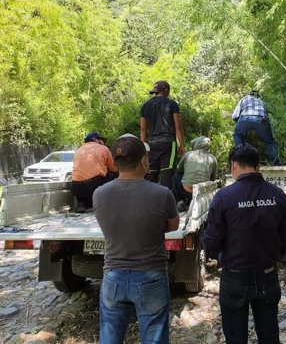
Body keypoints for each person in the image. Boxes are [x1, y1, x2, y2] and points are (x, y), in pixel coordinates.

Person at [203, 144, 286, 344]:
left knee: (235, 336)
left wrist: (218, 255)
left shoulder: (224, 197)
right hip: (267, 275)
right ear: (258, 166)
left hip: (234, 277)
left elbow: (212, 240)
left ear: (234, 165)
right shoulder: (277, 195)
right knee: (269, 333)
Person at [93, 134, 179, 344]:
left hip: (113, 277)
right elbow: (173, 226)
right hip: (151, 276)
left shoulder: (100, 193)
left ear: (115, 162)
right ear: (143, 160)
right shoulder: (162, 193)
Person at [140, 80, 186, 189]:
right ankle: (166, 203)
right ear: (166, 90)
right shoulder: (172, 104)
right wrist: (182, 145)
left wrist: (142, 146)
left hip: (152, 144)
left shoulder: (146, 106)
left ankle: (147, 200)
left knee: (151, 173)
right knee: (167, 173)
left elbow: (142, 129)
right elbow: (178, 127)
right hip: (168, 143)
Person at [71, 131, 118, 213]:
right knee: (115, 175)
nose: (103, 142)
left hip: (76, 187)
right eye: (102, 140)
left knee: (84, 180)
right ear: (96, 140)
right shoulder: (103, 148)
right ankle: (106, 203)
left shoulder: (79, 150)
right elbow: (114, 169)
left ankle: (82, 203)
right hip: (94, 186)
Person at [232, 90, 281, 166]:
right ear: (258, 96)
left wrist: (240, 124)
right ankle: (276, 163)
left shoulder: (244, 99)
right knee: (269, 142)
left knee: (237, 135)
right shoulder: (261, 102)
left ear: (249, 94)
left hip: (245, 118)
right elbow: (266, 116)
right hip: (261, 119)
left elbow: (234, 116)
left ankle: (241, 158)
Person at [173, 136, 217, 211]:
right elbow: (213, 178)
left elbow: (178, 169)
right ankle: (188, 202)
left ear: (196, 144)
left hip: (187, 191)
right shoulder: (212, 158)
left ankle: (180, 201)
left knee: (176, 176)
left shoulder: (187, 155)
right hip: (202, 192)